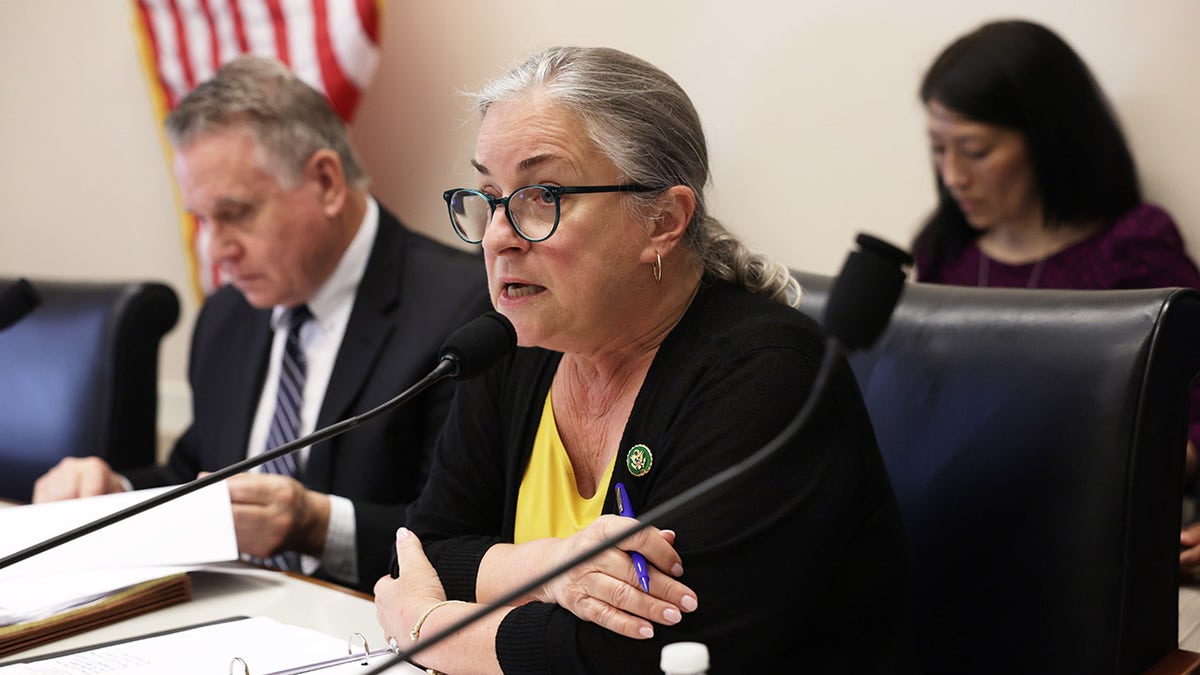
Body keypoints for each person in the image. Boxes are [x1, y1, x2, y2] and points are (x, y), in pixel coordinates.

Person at [372, 46, 914, 673]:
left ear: (664, 219)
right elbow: (420, 552)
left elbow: (643, 654)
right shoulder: (516, 346)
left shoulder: (769, 376)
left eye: (541, 195)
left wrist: (428, 629)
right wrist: (553, 569)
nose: (499, 235)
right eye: (492, 197)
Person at [30, 55, 491, 593]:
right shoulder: (228, 315)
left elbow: (464, 541)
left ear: (325, 182)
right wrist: (118, 490)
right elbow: (195, 475)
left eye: (236, 213)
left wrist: (315, 525)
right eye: (201, 220)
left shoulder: (462, 313)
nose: (216, 250)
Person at [910, 19, 1200, 575]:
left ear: (1048, 138)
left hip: (1099, 540)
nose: (953, 176)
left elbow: (1193, 416)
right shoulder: (944, 250)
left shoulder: (1134, 248)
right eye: (938, 150)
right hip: (962, 530)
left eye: (974, 150)